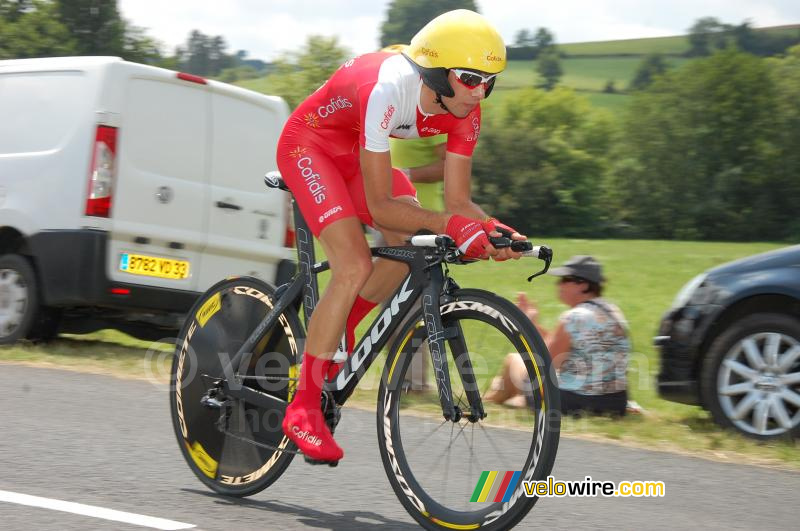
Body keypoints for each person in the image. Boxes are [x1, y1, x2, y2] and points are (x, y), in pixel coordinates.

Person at [275, 9, 523, 464]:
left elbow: (458, 201)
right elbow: (385, 205)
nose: (480, 91)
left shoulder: (467, 110)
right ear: (435, 70)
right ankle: (304, 408)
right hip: (308, 146)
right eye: (470, 78)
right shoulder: (389, 90)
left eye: (489, 80)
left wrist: (493, 230)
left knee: (411, 243)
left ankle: (338, 327)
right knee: (353, 264)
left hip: (352, 154)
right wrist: (451, 226)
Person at [484, 255, 634, 416]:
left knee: (514, 360)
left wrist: (527, 324)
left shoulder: (574, 317)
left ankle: (488, 401)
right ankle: (511, 399)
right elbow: (562, 346)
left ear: (583, 285)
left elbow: (546, 361)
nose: (558, 284)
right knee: (517, 378)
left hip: (574, 400)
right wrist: (533, 324)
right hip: (615, 403)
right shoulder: (613, 311)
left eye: (565, 279)